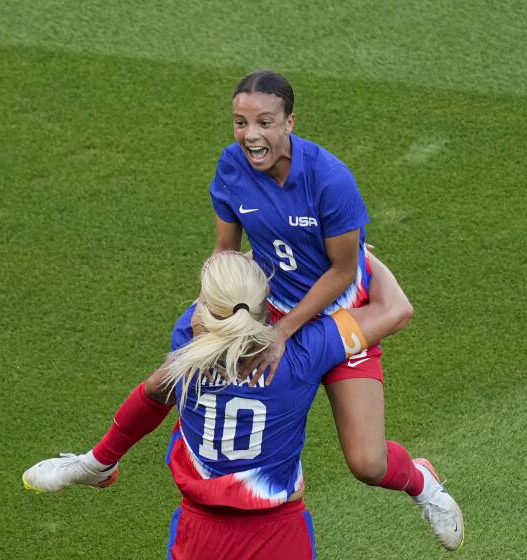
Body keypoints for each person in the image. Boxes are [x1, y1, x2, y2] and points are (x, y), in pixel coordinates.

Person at [24, 70, 464, 551]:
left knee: (367, 464)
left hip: (337, 313)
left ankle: (422, 482)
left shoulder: (329, 179)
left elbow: (342, 272)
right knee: (169, 378)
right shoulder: (231, 168)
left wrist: (287, 331)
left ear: (289, 122)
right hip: (266, 311)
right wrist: (208, 311)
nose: (251, 135)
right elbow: (226, 251)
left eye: (264, 122)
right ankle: (97, 462)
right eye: (240, 122)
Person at [24, 252, 463, 559]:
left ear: (206, 311)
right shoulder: (305, 350)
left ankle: (96, 464)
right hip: (278, 529)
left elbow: (155, 393)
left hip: (199, 529)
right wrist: (356, 257)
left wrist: (105, 456)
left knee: (160, 386)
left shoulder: (187, 340)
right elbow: (397, 309)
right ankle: (96, 464)